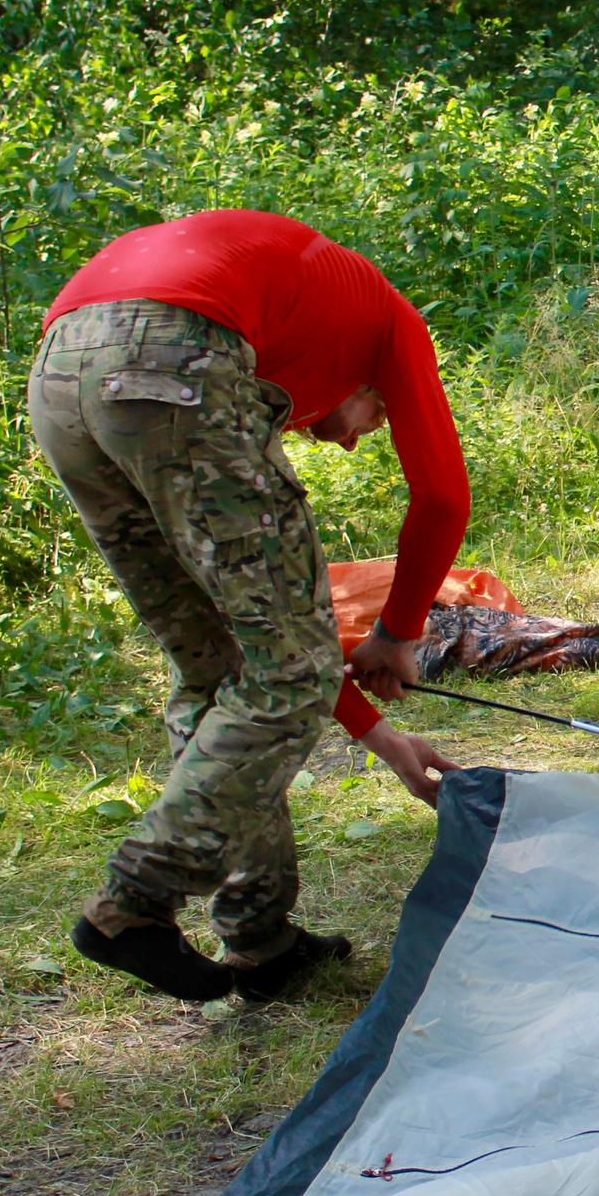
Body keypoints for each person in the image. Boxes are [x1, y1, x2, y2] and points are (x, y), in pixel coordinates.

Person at [30, 210, 469, 1003]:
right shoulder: (389, 319)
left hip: (61, 373)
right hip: (176, 355)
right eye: (374, 415)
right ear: (372, 385)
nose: (348, 439)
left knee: (219, 668)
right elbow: (441, 497)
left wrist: (385, 740)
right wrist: (399, 632)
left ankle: (262, 940)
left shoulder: (302, 308)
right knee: (289, 669)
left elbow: (269, 656)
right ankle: (136, 899)